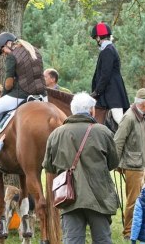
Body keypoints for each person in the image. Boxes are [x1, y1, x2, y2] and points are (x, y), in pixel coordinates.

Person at [42, 92, 119, 244]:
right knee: (103, 240)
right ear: (92, 110)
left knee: (72, 241)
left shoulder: (56, 134)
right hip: (99, 197)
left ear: (73, 110)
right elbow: (113, 162)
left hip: (69, 198)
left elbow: (48, 167)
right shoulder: (103, 132)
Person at [0, 32, 46, 149]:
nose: (3, 54)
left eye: (3, 50)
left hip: (22, 94)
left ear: (8, 43)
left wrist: (4, 94)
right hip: (42, 96)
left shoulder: (12, 56)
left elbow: (8, 84)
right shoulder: (35, 51)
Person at [114, 88, 145, 240]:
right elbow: (118, 142)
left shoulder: (142, 116)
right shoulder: (129, 117)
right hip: (134, 167)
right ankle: (128, 232)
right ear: (144, 102)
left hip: (144, 167)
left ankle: (139, 229)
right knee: (133, 201)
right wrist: (116, 164)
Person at [89, 21, 130, 126]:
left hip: (113, 91)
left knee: (118, 118)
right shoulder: (107, 49)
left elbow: (105, 74)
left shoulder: (108, 50)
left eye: (96, 39)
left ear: (98, 38)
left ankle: (130, 139)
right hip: (109, 89)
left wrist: (97, 92)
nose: (96, 41)